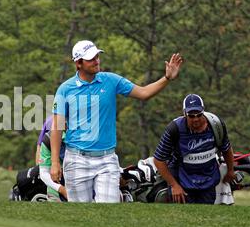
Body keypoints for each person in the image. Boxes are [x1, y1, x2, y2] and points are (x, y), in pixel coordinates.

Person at [50, 40, 183, 203]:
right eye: (91, 58)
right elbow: (56, 127)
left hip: (106, 160)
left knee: (108, 210)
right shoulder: (65, 89)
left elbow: (143, 93)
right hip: (77, 160)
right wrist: (55, 162)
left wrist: (167, 78)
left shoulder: (110, 80)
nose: (96, 61)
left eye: (97, 56)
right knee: (79, 215)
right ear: (78, 63)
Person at [153, 94, 236, 204]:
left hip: (208, 181)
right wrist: (174, 185)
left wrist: (230, 170)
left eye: (199, 114)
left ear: (203, 112)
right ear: (184, 114)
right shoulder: (174, 129)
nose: (196, 119)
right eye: (191, 116)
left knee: (205, 217)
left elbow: (226, 149)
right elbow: (158, 160)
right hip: (182, 182)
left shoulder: (216, 125)